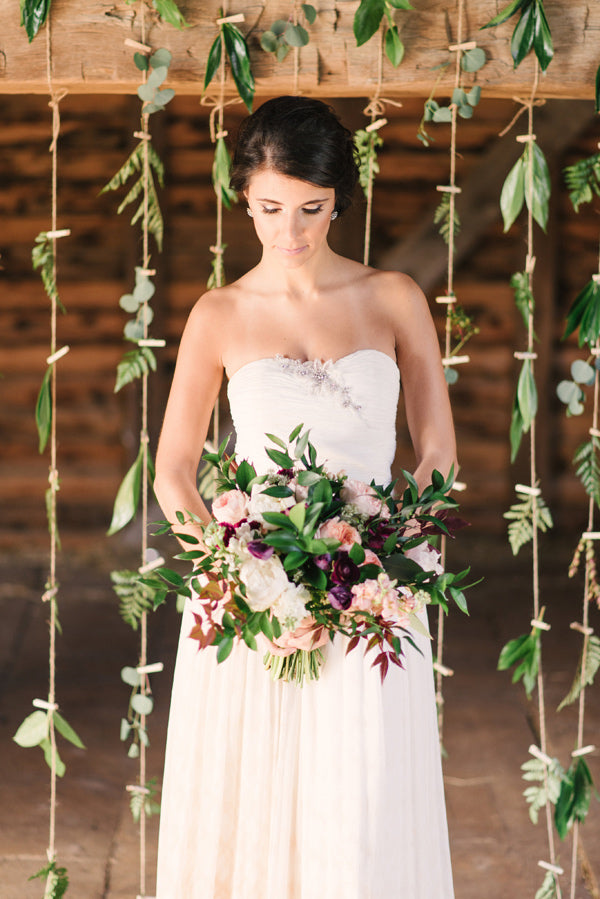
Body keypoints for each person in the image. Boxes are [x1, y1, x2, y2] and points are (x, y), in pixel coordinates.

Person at [153, 96, 456, 899]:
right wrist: (236, 573)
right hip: (252, 594)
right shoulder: (217, 314)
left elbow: (435, 453)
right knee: (255, 785)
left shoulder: (394, 298)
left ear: (338, 200)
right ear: (244, 198)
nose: (290, 232)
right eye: (270, 209)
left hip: (373, 590)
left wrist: (386, 555)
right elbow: (174, 470)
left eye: (311, 209)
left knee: (361, 792)